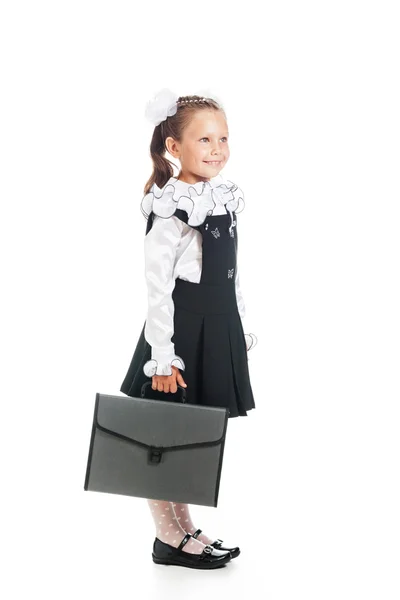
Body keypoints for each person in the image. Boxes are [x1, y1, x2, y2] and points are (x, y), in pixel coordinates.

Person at [120, 89, 258, 569]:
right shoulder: (169, 206)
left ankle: (185, 525)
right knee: (165, 432)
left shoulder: (223, 198)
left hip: (217, 327)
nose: (217, 149)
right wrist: (163, 354)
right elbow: (157, 287)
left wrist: (238, 326)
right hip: (180, 334)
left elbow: (231, 272)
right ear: (174, 148)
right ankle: (166, 535)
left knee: (195, 432)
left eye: (224, 138)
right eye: (205, 139)